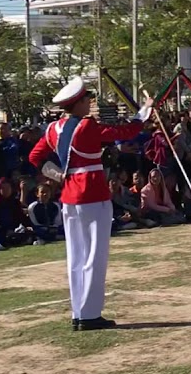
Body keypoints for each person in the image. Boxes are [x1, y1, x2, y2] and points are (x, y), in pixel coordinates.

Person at [29, 77, 152, 331]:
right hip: (92, 194)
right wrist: (144, 113)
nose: (90, 103)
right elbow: (124, 132)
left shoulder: (53, 129)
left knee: (76, 256)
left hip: (69, 196)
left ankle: (79, 312)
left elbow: (35, 157)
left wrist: (58, 175)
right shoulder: (87, 126)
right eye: (87, 99)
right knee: (95, 256)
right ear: (79, 103)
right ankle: (90, 314)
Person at [0, 177, 34, 247]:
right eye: (3, 188)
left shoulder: (15, 201)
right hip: (1, 228)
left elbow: (20, 216)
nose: (6, 191)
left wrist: (26, 226)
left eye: (8, 188)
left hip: (15, 227)